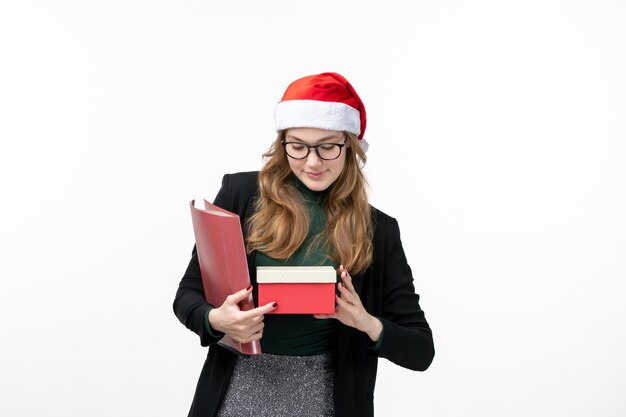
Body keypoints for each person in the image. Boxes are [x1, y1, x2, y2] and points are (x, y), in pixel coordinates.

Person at [173, 72, 434, 417]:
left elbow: (421, 350)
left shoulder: (379, 230)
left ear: (350, 145)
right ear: (282, 145)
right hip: (237, 391)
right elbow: (187, 295)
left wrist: (365, 322)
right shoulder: (240, 195)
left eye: (327, 146)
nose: (313, 162)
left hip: (326, 399)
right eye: (297, 146)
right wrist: (216, 319)